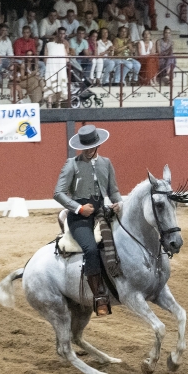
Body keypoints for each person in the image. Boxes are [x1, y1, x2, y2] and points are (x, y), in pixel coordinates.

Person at [54, 124, 123, 316]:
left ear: (98, 145)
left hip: (102, 211)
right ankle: (99, 297)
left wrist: (119, 203)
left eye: (93, 146)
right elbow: (58, 193)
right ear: (81, 146)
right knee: (91, 249)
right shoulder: (72, 164)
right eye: (86, 147)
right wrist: (79, 208)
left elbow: (113, 190)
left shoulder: (106, 163)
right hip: (79, 216)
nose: (89, 150)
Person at [44, 27, 69, 106]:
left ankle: (58, 104)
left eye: (63, 34)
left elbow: (66, 57)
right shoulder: (48, 44)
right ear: (57, 33)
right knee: (51, 83)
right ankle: (49, 103)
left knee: (60, 83)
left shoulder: (65, 43)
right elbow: (45, 58)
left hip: (61, 66)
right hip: (51, 66)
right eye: (60, 33)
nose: (62, 35)